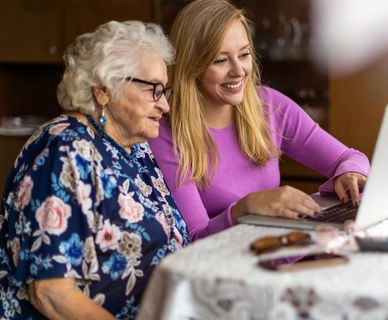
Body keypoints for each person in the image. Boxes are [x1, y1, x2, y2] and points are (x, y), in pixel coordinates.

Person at [0, 21, 187, 319]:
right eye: (154, 90)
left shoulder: (134, 146)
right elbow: (51, 292)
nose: (165, 105)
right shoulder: (65, 150)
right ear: (104, 90)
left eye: (164, 90)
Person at [148, 0, 370, 242]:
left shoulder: (269, 105)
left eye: (244, 55)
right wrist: (246, 206)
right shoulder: (166, 131)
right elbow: (194, 239)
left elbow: (350, 158)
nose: (239, 70)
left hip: (285, 250)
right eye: (220, 60)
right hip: (227, 267)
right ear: (192, 66)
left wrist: (349, 174)